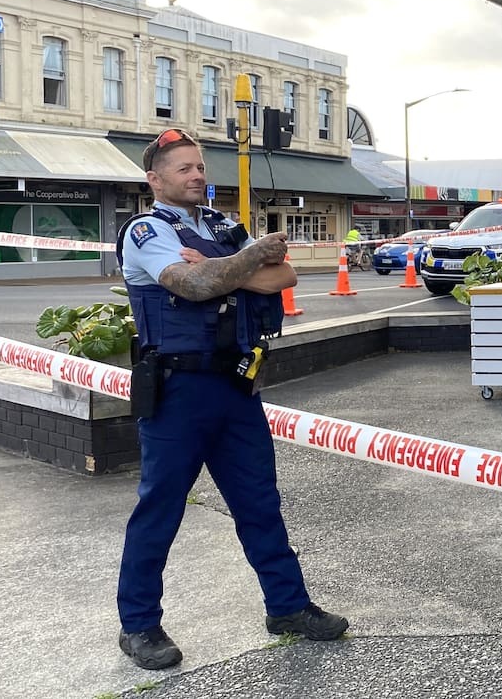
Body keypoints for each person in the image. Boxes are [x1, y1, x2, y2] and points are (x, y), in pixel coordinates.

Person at [116, 128, 347, 670]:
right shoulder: (147, 231)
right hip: (178, 391)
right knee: (160, 510)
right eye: (184, 169)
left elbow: (284, 275)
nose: (197, 175)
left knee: (260, 503)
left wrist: (228, 269)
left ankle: (287, 607)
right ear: (155, 179)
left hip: (237, 386)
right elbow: (191, 286)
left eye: (199, 166)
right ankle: (139, 625)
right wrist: (250, 260)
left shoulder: (221, 226)